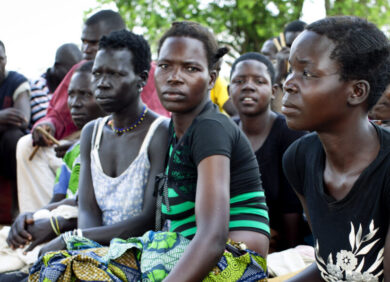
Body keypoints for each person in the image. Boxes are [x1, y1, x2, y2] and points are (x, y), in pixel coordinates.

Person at [29, 22, 269, 282]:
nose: (175, 77)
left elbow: (212, 237)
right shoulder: (176, 133)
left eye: (190, 68)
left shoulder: (209, 128)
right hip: (181, 249)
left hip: (234, 260)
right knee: (57, 266)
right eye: (165, 66)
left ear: (211, 78)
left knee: (67, 272)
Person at [282, 16, 390, 281]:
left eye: (307, 73)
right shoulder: (299, 158)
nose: (288, 84)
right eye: (290, 70)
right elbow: (333, 265)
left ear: (356, 91)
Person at [16, 10, 129, 213]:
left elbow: (144, 126)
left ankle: (56, 221)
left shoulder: (141, 73)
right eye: (83, 42)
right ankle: (36, 222)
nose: (85, 50)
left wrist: (87, 143)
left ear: (119, 40)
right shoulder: (79, 70)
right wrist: (48, 125)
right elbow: (57, 113)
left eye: (94, 43)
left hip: (118, 145)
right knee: (26, 145)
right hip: (78, 142)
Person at [1, 60, 105, 280]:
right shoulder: (73, 153)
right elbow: (58, 198)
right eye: (72, 95)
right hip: (59, 220)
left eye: (86, 95)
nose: (74, 104)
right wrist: (29, 216)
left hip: (78, 233)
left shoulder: (110, 148)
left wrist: (54, 223)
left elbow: (94, 211)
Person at [229, 52, 307, 252]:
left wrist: (287, 263)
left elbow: (293, 210)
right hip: (229, 243)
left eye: (259, 81)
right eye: (239, 80)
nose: (248, 86)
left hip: (280, 247)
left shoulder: (290, 133)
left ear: (273, 91)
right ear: (229, 89)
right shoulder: (224, 132)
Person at [0, 40, 30, 217]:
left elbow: (22, 119)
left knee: (14, 137)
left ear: (6, 59)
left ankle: (17, 208)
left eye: (0, 58)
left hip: (7, 149)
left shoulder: (16, 80)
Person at [29, 43, 82, 127]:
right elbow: (46, 121)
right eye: (70, 71)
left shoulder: (74, 86)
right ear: (57, 66)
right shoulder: (38, 85)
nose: (72, 75)